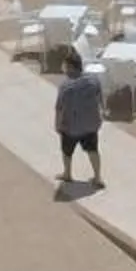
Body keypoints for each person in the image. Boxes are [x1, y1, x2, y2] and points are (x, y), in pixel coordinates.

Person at [54, 47, 105, 185]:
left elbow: (59, 107)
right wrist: (100, 115)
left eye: (65, 65)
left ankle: (67, 173)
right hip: (90, 124)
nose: (63, 68)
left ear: (70, 67)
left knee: (67, 152)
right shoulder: (93, 80)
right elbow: (100, 98)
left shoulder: (65, 86)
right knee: (93, 150)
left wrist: (58, 124)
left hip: (70, 127)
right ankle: (97, 177)